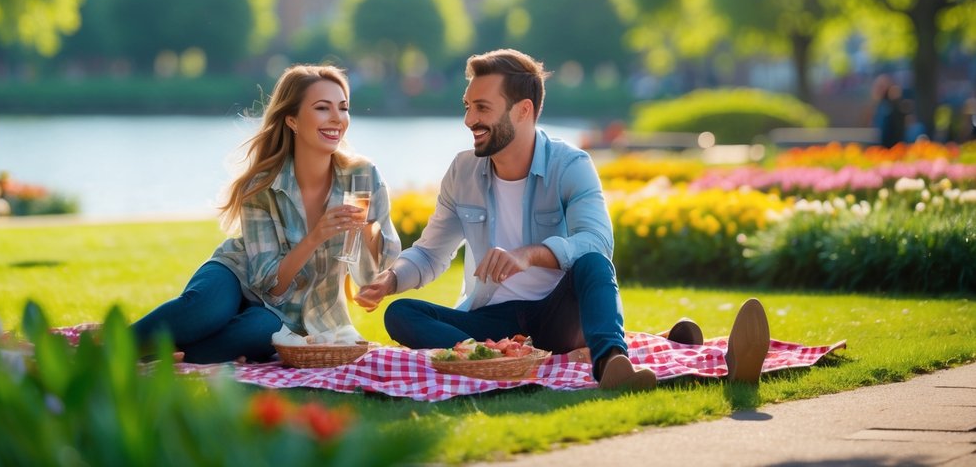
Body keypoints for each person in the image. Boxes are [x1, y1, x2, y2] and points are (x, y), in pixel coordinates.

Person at [354, 49, 771, 390]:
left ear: (523, 111)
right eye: (467, 106)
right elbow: (430, 252)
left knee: (592, 264)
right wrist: (391, 280)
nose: (469, 120)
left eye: (481, 107)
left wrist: (531, 255)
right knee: (402, 313)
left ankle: (610, 365)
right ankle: (512, 358)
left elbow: (597, 242)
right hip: (492, 321)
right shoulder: (463, 172)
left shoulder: (571, 165)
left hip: (559, 312)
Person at [132, 64, 401, 363]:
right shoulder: (262, 186)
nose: (337, 118)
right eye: (323, 108)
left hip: (289, 315)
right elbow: (269, 285)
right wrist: (315, 237)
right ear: (292, 120)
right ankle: (107, 346)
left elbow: (372, 270)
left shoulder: (362, 175)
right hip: (239, 274)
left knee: (260, 331)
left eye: (343, 107)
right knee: (204, 309)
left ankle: (163, 356)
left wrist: (367, 229)